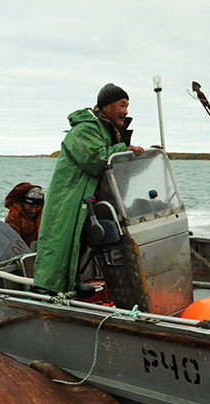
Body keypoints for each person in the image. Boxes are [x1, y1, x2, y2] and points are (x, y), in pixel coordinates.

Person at [33, 83, 144, 294]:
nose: (126, 111)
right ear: (106, 106)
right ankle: (45, 289)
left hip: (86, 198)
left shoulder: (107, 130)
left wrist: (142, 158)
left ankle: (70, 283)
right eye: (122, 105)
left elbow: (115, 166)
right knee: (60, 241)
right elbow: (97, 159)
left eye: (127, 105)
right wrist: (125, 148)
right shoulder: (85, 129)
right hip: (68, 198)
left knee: (80, 242)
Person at [3, 182, 45, 247]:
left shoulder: (44, 214)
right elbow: (13, 242)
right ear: (23, 203)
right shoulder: (14, 216)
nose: (33, 210)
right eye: (30, 206)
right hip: (21, 251)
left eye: (37, 207)